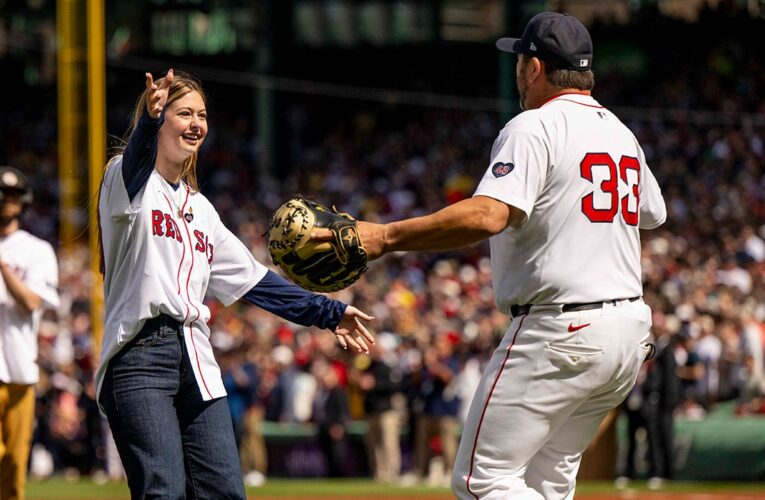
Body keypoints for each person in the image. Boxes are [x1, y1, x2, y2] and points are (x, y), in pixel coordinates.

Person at [317, 12, 666, 499]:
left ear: (536, 67)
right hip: (626, 331)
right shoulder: (620, 132)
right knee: (547, 486)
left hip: (560, 329)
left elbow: (485, 216)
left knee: (481, 481)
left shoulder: (534, 126)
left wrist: (386, 237)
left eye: (521, 60)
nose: (518, 71)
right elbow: (652, 212)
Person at [96, 69, 374, 499]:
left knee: (225, 491)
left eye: (202, 115)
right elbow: (135, 160)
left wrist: (330, 312)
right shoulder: (125, 181)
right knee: (162, 492)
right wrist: (147, 124)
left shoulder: (201, 209)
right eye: (184, 113)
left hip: (197, 356)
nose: (196, 124)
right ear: (158, 116)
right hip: (139, 356)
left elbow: (256, 281)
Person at [0, 166, 60, 500]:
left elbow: (31, 301)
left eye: (11, 195)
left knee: (13, 464)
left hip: (19, 366)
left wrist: (4, 267)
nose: (6, 202)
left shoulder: (36, 250)